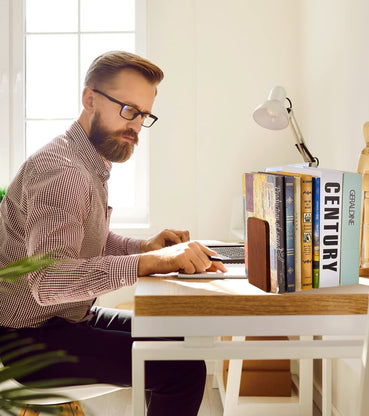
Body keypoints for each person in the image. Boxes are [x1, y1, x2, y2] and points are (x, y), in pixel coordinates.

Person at [0, 50, 227, 415]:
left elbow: (86, 241)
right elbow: (47, 282)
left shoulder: (86, 161)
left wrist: (144, 246)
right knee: (183, 370)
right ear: (90, 98)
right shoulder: (64, 172)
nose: (136, 126)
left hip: (67, 320)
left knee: (178, 341)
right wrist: (149, 262)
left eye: (143, 115)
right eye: (128, 110)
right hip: (29, 339)